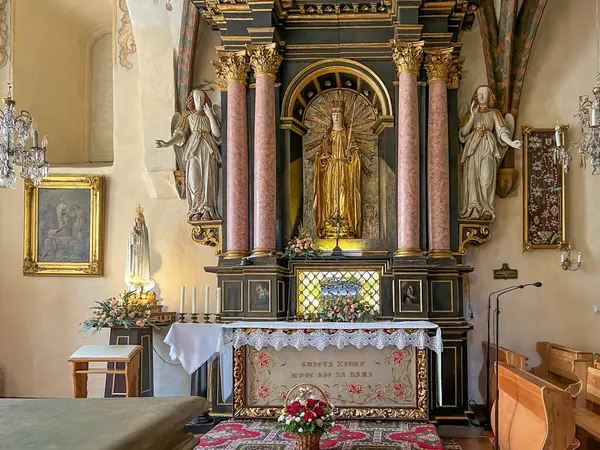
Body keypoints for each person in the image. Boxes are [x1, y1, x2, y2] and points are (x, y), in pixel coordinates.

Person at [156, 89, 222, 221]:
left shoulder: (210, 116)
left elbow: (218, 135)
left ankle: (207, 209)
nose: (199, 100)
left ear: (206, 100)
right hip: (193, 150)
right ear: (191, 99)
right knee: (194, 180)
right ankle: (196, 209)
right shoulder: (186, 116)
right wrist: (167, 143)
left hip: (209, 150)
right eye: (197, 97)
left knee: (208, 179)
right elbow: (180, 134)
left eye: (202, 97)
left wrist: (210, 116)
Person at [459, 85, 521, 221]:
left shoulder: (495, 114)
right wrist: (472, 116)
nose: (481, 97)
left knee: (486, 178)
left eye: (484, 94)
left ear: (490, 97)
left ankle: (486, 208)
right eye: (479, 94)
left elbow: (502, 131)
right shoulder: (471, 112)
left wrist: (511, 143)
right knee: (473, 178)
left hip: (488, 146)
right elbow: (463, 132)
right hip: (473, 149)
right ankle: (474, 207)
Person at [313, 100, 362, 238]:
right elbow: (319, 157)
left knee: (343, 193)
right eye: (334, 113)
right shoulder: (327, 136)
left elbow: (356, 155)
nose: (336, 116)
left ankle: (346, 224)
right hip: (330, 170)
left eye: (339, 113)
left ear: (343, 116)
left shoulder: (349, 135)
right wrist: (322, 158)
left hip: (344, 170)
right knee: (330, 196)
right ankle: (330, 222)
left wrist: (351, 155)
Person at [125, 205, 154, 292]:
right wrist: (133, 235)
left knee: (140, 265)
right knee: (134, 265)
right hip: (135, 251)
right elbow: (130, 241)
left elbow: (144, 241)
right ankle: (134, 278)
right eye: (136, 219)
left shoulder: (144, 229)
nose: (138, 220)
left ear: (142, 220)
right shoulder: (132, 229)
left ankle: (141, 280)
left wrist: (138, 235)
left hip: (141, 252)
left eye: (139, 219)